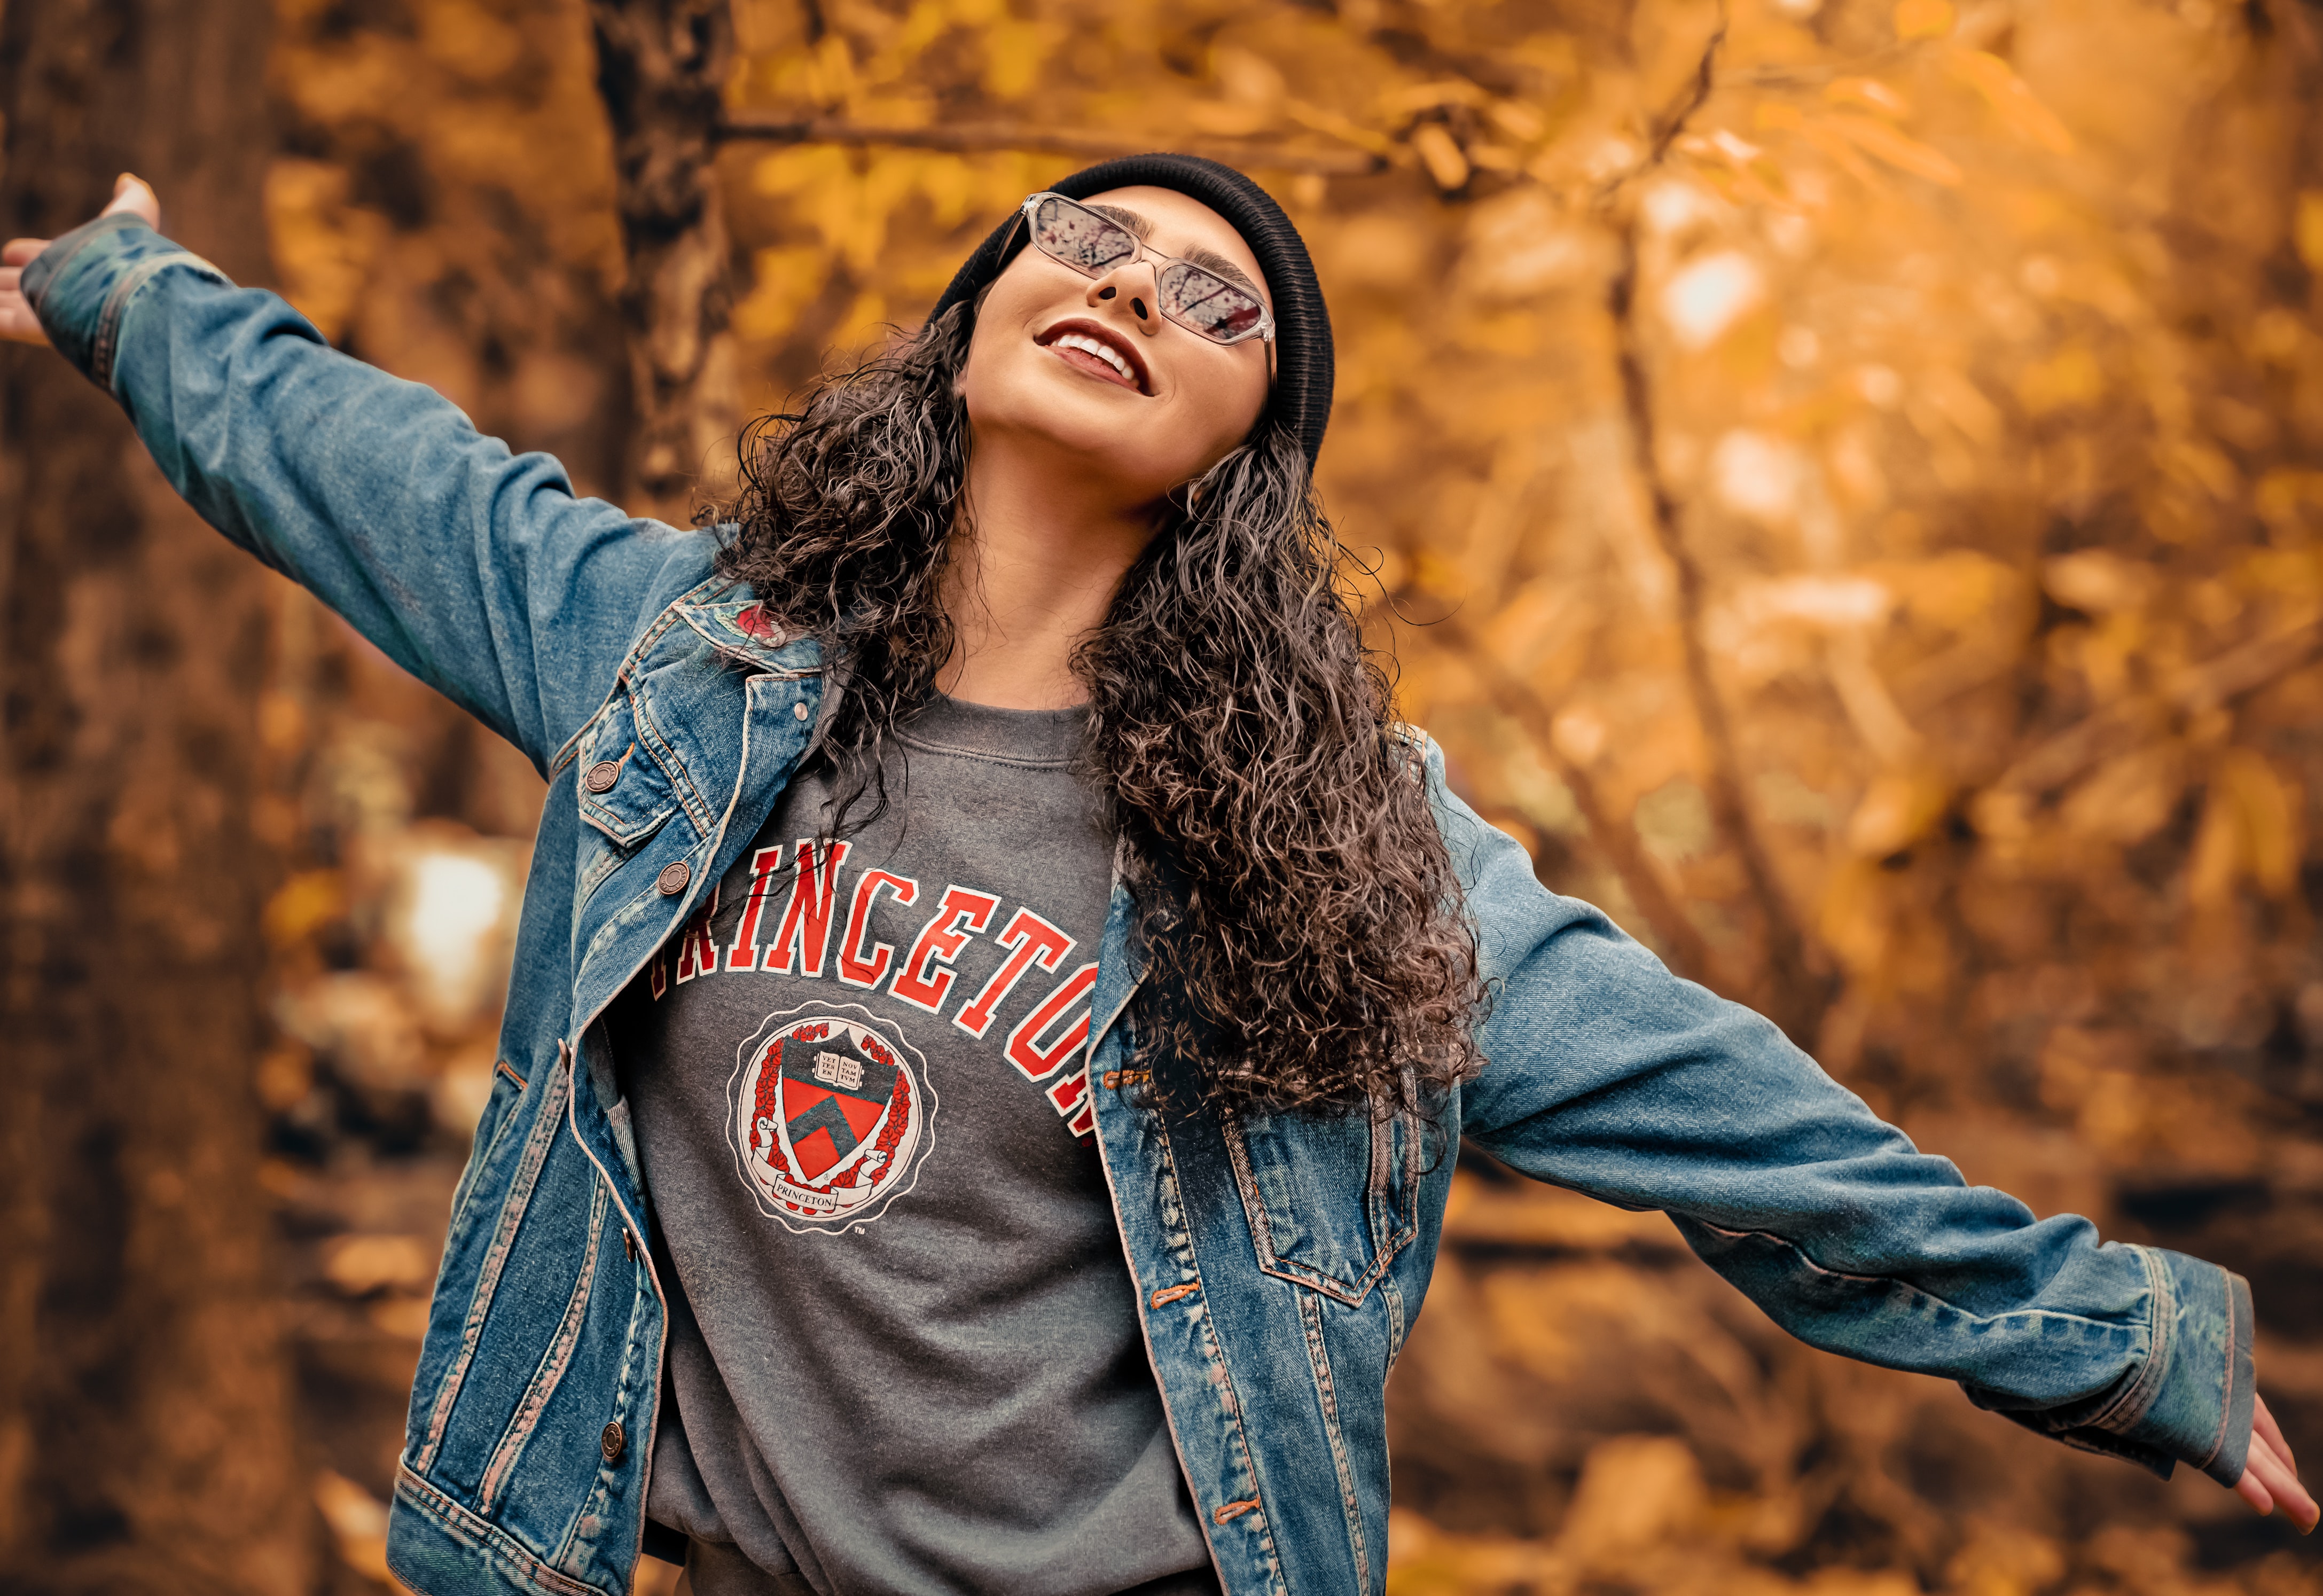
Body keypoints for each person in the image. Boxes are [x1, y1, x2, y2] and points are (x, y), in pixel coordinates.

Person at [3, 157, 2312, 1596]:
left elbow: (1717, 1108)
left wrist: (2117, 1340)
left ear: (1245, 460)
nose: (1128, 287)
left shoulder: (1331, 843)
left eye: (1217, 304)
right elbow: (370, 467)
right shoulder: (675, 665)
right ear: (978, 316)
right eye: (1085, 242)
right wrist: (131, 296)